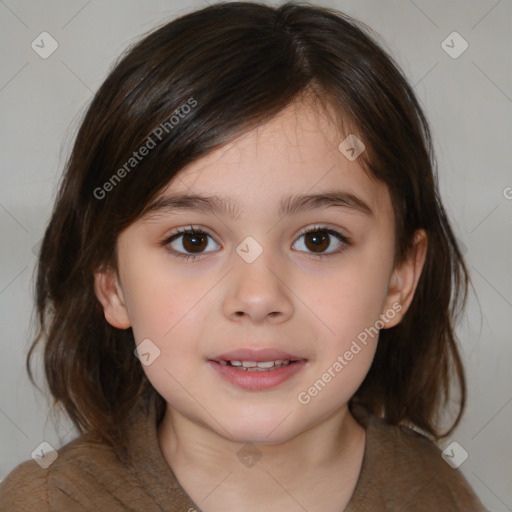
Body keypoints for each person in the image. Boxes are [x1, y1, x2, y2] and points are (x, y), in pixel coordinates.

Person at [0, 2, 488, 511]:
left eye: (319, 240)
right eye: (193, 241)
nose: (257, 298)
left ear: (399, 280)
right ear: (112, 283)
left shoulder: (440, 498)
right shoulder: (50, 502)